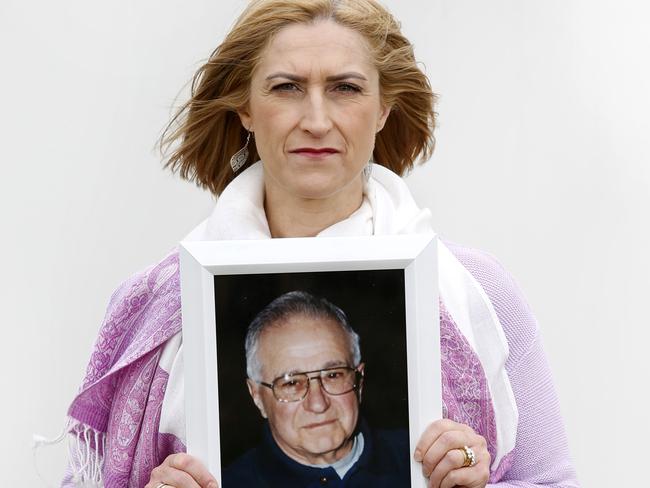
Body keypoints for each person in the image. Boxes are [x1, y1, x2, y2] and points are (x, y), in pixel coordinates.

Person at [62, 1, 579, 487]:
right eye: (286, 87)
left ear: (383, 109)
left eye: (345, 88)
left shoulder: (478, 292)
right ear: (244, 106)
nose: (315, 119)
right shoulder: (153, 302)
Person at [222, 290, 410, 487]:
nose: (318, 404)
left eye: (333, 375)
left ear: (359, 382)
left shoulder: (421, 463)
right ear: (257, 396)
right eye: (292, 383)